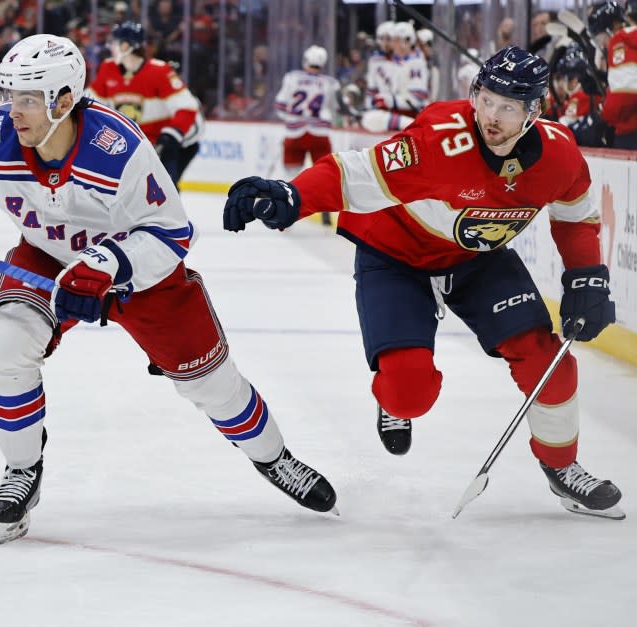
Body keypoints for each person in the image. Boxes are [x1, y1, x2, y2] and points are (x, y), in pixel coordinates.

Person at [0, 34, 338, 545]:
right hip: (46, 258)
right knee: (6, 341)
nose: (11, 111)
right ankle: (22, 469)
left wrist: (106, 265)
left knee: (212, 385)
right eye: (6, 95)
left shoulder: (119, 149)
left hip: (140, 272)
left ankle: (275, 458)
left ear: (64, 100)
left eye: (25, 99)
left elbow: (172, 233)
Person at [223, 46, 623, 520]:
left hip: (479, 260)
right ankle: (392, 401)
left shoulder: (557, 155)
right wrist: (290, 195)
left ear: (533, 112)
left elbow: (576, 213)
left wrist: (586, 276)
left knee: (552, 365)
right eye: (487, 99)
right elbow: (356, 173)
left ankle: (563, 468)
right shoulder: (440, 137)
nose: (491, 116)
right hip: (398, 255)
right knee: (408, 391)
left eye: (508, 107)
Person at [86, 21, 204, 187]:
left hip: (176, 144)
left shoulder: (159, 71)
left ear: (126, 45)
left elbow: (187, 107)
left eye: (114, 42)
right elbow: (88, 103)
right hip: (140, 144)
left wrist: (170, 135)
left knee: (165, 188)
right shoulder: (108, 69)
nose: (110, 46)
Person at [274, 45, 341, 179]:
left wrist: (289, 119)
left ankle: (291, 198)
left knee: (291, 177)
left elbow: (280, 105)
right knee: (324, 175)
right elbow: (336, 109)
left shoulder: (291, 77)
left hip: (294, 133)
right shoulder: (331, 83)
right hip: (320, 134)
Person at [587, 1, 637, 148]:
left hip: (630, 133)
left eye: (600, 38)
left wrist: (603, 116)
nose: (602, 46)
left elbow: (625, 94)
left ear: (612, 26)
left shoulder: (620, 40)